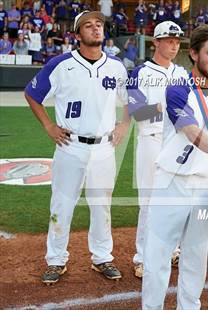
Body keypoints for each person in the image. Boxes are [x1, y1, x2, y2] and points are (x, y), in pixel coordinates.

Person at [24, 11, 129, 285]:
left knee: (101, 206)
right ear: (77, 33)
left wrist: (124, 125)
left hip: (104, 148)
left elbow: (132, 100)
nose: (96, 29)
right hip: (71, 147)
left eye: (99, 24)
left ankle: (102, 257)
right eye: (89, 25)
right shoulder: (60, 64)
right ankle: (56, 260)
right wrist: (48, 126)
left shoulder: (116, 66)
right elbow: (32, 94)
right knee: (62, 205)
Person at [141, 24, 208, 310]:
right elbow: (192, 132)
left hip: (203, 186)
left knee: (195, 257)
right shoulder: (178, 90)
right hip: (172, 182)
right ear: (193, 54)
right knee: (157, 257)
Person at [128, 21, 188, 279]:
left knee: (174, 199)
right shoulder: (139, 72)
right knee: (149, 203)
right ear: (156, 42)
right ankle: (142, 257)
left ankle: (173, 249)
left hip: (176, 141)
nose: (174, 45)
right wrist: (164, 106)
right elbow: (136, 111)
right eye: (169, 40)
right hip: (151, 139)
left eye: (177, 41)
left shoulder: (184, 73)